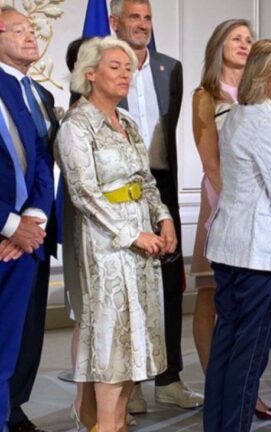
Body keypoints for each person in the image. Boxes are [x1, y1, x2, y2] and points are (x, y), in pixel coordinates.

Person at [55, 35, 176, 432]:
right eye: (114, 67)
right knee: (111, 340)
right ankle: (104, 425)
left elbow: (146, 180)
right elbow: (84, 194)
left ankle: (116, 422)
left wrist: (164, 219)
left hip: (143, 240)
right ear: (90, 74)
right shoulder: (77, 126)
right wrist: (131, 234)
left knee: (135, 336)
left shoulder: (127, 123)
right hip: (105, 246)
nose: (125, 74)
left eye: (128, 68)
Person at [202, 39, 271, 432]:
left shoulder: (238, 115)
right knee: (250, 355)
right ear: (263, 77)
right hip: (258, 253)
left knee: (227, 348)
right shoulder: (264, 124)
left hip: (228, 246)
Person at [189, 19, 271, 421]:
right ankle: (220, 391)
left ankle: (245, 394)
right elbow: (211, 163)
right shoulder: (205, 95)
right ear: (219, 46)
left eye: (248, 39)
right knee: (214, 299)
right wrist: (236, 209)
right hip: (225, 204)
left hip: (261, 211)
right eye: (236, 39)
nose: (244, 44)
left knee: (250, 320)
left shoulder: (259, 92)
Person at [108, 0, 198, 411]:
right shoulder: (101, 64)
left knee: (168, 288)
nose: (143, 25)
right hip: (117, 189)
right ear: (115, 23)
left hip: (161, 186)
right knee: (127, 290)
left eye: (147, 18)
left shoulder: (170, 68)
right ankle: (130, 388)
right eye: (134, 18)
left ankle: (169, 379)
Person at [0, 7, 59, 432]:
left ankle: (12, 409)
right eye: (17, 29)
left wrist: (33, 222)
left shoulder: (39, 93)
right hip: (6, 235)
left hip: (31, 239)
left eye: (30, 28)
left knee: (19, 339)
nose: (30, 36)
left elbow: (42, 158)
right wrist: (8, 225)